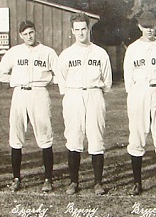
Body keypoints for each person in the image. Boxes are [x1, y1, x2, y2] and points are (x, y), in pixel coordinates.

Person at [0, 20, 59, 192]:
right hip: (20, 94)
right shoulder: (14, 52)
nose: (29, 36)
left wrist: (47, 80)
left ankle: (48, 179)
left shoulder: (47, 52)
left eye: (31, 32)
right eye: (25, 34)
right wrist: (14, 80)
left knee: (45, 136)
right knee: (16, 136)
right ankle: (16, 178)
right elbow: (1, 72)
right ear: (20, 35)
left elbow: (60, 73)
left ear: (36, 32)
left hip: (39, 93)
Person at [54, 12, 112, 195]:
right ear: (72, 31)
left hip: (94, 94)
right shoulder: (66, 54)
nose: (80, 33)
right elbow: (61, 80)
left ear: (89, 30)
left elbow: (107, 81)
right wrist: (72, 93)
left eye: (84, 29)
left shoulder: (100, 53)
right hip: (73, 96)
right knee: (74, 138)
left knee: (96, 138)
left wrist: (95, 91)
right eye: (77, 30)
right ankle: (73, 182)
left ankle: (97, 183)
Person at [124, 11, 156, 196]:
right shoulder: (132, 49)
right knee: (137, 136)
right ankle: (137, 183)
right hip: (139, 92)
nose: (149, 29)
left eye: (152, 26)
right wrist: (137, 93)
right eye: (145, 26)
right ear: (139, 26)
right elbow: (128, 77)